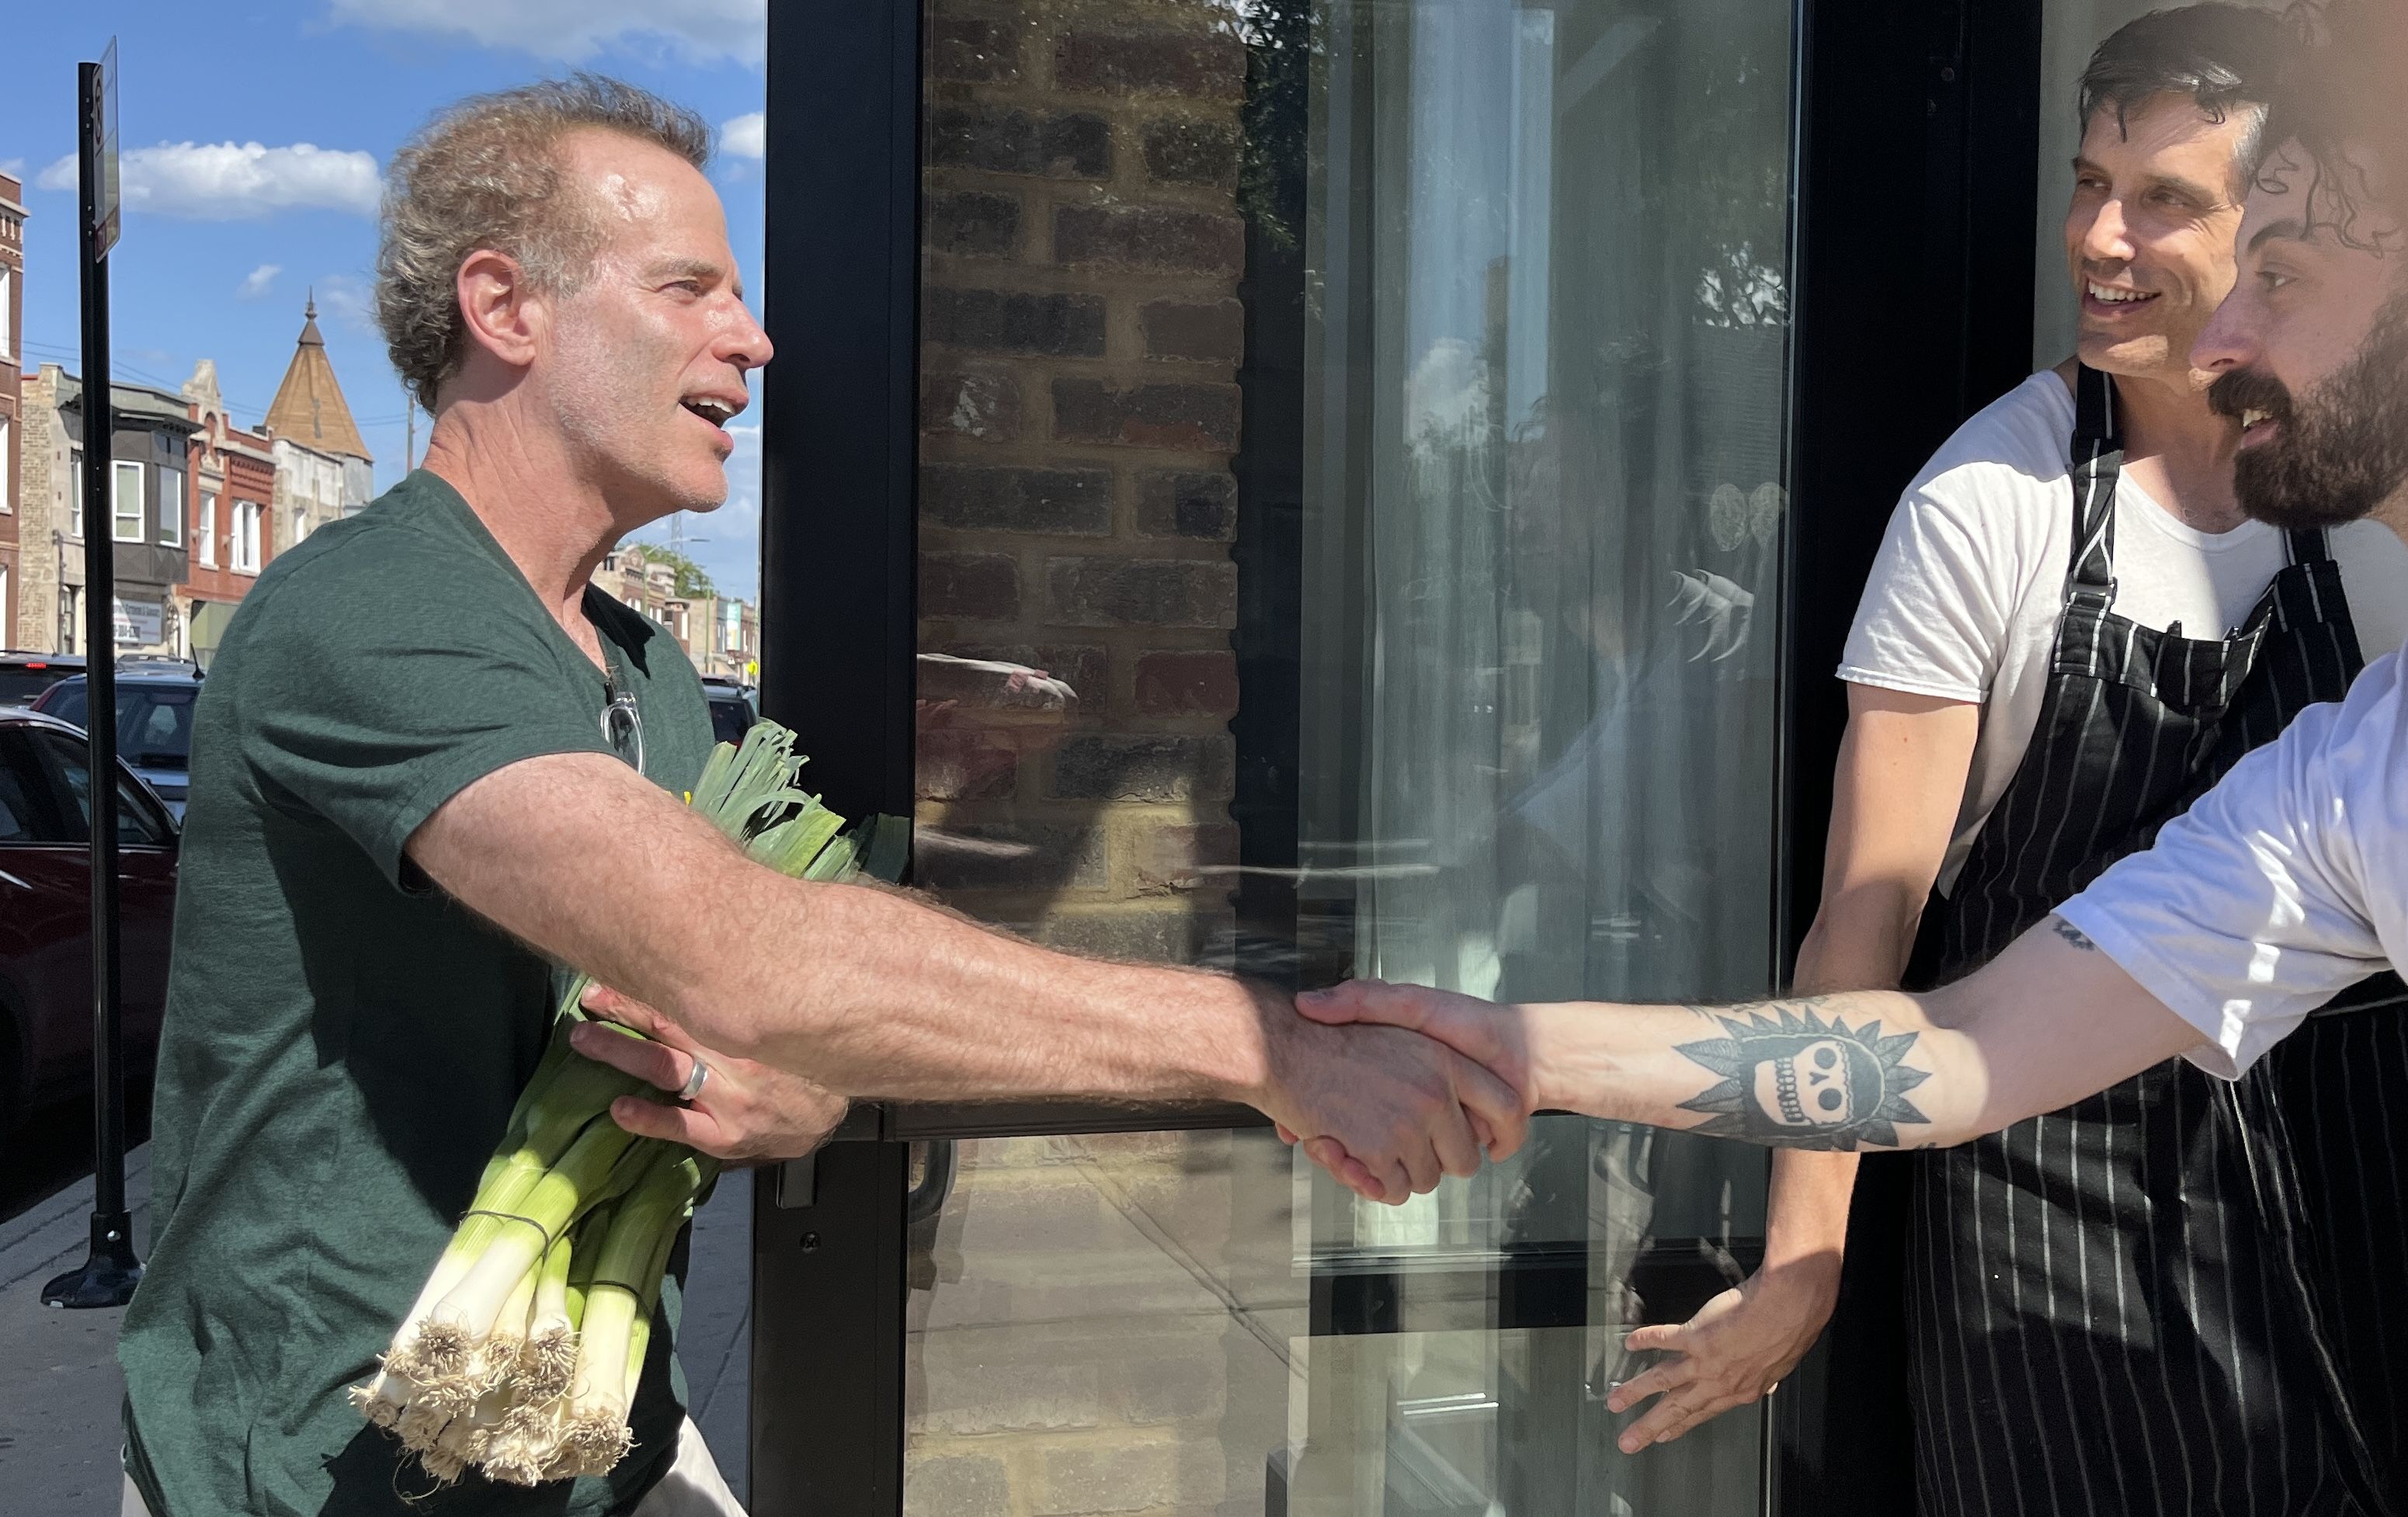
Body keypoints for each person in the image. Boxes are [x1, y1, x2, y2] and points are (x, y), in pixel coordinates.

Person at [117, 77, 1525, 1517]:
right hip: (319, 1471)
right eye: (689, 288)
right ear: (506, 307)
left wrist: (788, 1087)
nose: (755, 337)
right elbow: (739, 947)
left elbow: (728, 1012)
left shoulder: (648, 671)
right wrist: (1263, 1045)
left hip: (590, 1443)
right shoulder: (369, 612)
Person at [1298, 0, 2408, 1505]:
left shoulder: (2338, 553)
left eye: (2176, 207)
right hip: (2051, 1231)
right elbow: (1913, 985)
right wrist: (1732, 1200)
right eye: (2087, 185)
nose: (2101, 242)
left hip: (2312, 1212)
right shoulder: (2013, 523)